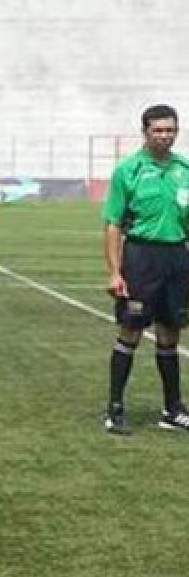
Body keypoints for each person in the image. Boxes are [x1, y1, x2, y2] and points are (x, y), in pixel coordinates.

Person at [102, 104, 189, 434]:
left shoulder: (185, 169)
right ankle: (114, 408)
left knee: (170, 332)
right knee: (131, 331)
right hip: (140, 258)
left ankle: (173, 408)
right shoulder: (129, 170)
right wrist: (115, 271)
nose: (165, 136)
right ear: (145, 132)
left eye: (170, 130)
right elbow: (113, 225)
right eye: (158, 130)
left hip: (177, 258)